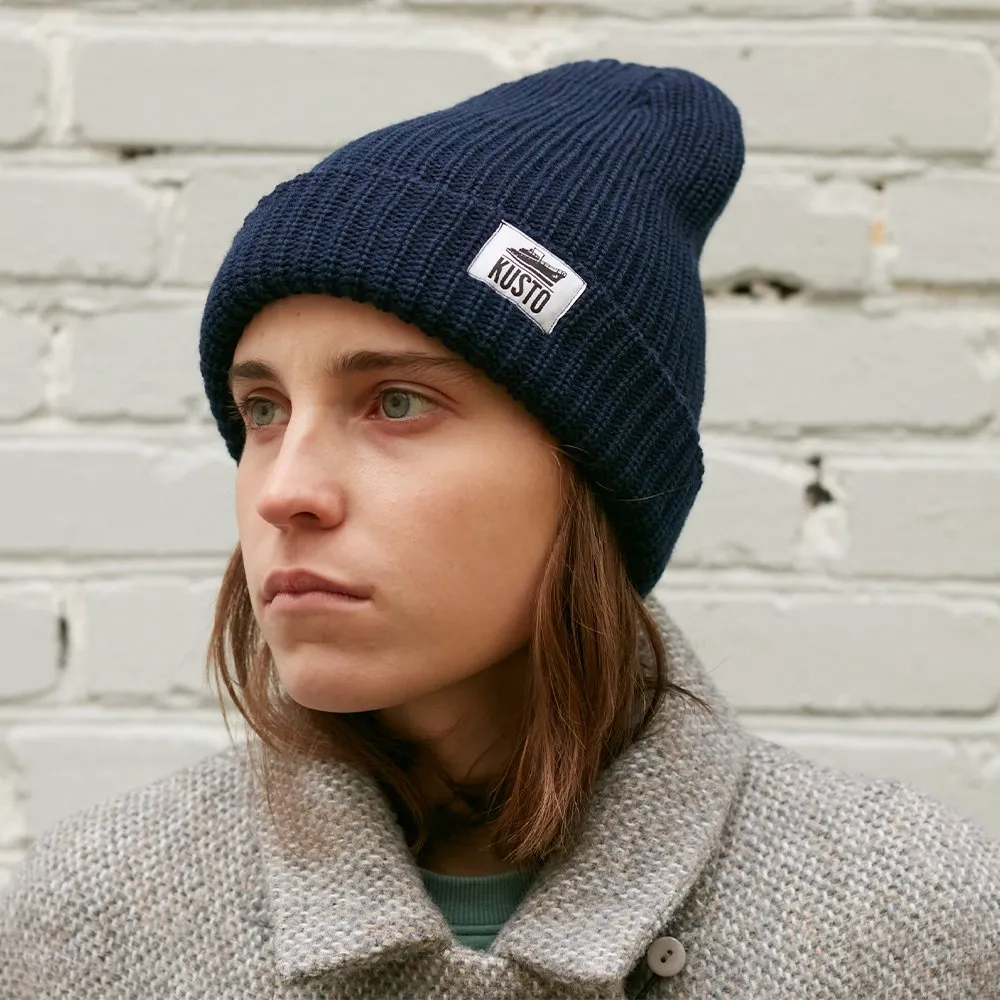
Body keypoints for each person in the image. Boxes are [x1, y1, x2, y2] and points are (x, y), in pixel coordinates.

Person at [1, 59, 997, 999]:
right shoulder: (88, 917)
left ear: (593, 472)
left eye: (395, 403)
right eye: (263, 410)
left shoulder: (910, 917)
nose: (283, 491)